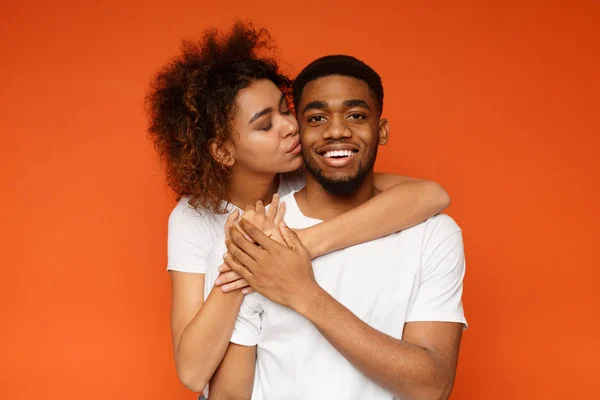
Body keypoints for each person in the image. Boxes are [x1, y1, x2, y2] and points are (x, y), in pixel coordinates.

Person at [145, 22, 451, 396]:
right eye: (265, 124)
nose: (291, 127)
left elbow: (430, 196)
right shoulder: (193, 218)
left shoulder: (310, 176)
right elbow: (193, 373)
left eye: (285, 110)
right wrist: (250, 261)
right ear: (223, 151)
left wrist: (298, 246)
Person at [211, 55, 467, 400]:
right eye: (316, 118)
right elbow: (228, 394)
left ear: (383, 130)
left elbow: (432, 385)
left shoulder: (433, 235)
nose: (336, 131)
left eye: (356, 116)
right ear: (297, 134)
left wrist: (304, 294)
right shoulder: (258, 234)